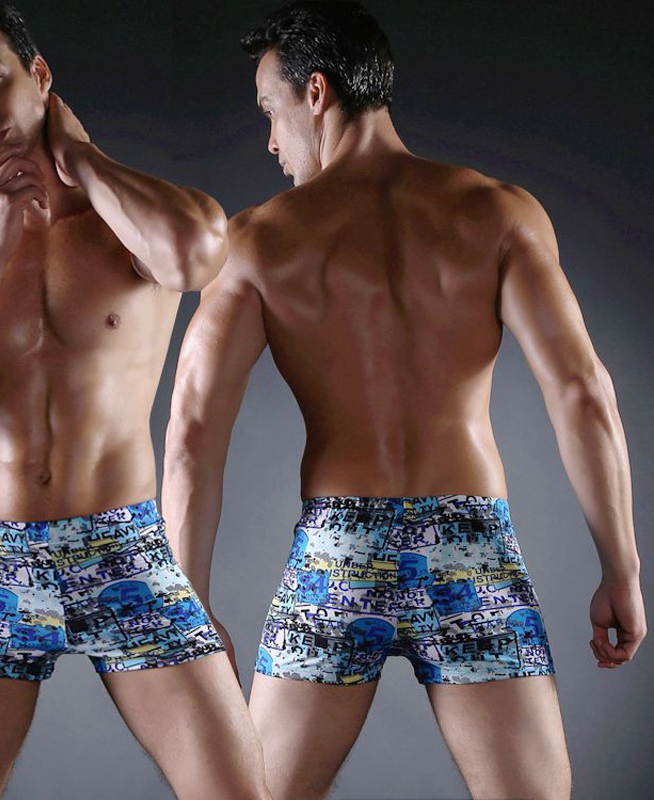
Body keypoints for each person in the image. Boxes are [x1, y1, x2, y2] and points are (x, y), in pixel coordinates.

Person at [161, 2, 646, 799]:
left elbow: (190, 435)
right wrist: (621, 567)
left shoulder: (256, 241)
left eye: (270, 111)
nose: (271, 142)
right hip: (470, 547)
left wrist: (188, 608)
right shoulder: (497, 213)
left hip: (339, 551)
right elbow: (583, 393)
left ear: (317, 93)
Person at [0, 1, 270, 798]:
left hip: (123, 549)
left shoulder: (132, 220)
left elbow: (195, 255)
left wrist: (80, 158)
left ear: (38, 75)